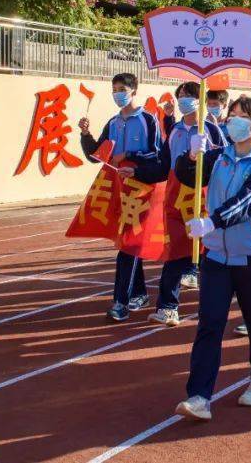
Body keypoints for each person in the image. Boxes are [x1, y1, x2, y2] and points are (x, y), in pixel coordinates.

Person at [174, 96, 251, 421]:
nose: (234, 120)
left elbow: (249, 200)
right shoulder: (219, 156)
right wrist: (191, 155)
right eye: (232, 114)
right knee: (209, 324)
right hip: (217, 258)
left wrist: (212, 222)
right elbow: (186, 175)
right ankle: (199, 396)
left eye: (242, 116)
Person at [78, 73, 164, 322]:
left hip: (141, 188)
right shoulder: (113, 122)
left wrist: (129, 156)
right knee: (129, 242)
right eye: (114, 89)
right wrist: (85, 134)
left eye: (121, 89)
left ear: (133, 91)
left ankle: (121, 302)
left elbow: (157, 154)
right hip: (119, 189)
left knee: (129, 243)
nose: (117, 94)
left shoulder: (148, 120)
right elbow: (97, 155)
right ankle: (139, 293)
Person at [149, 81, 227, 327]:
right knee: (175, 251)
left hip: (202, 197)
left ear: (199, 99)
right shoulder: (175, 129)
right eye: (180, 95)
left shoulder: (211, 130)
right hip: (175, 197)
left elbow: (224, 161)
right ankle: (168, 307)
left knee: (206, 253)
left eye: (188, 95)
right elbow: (164, 163)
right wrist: (137, 172)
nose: (183, 99)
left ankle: (212, 306)